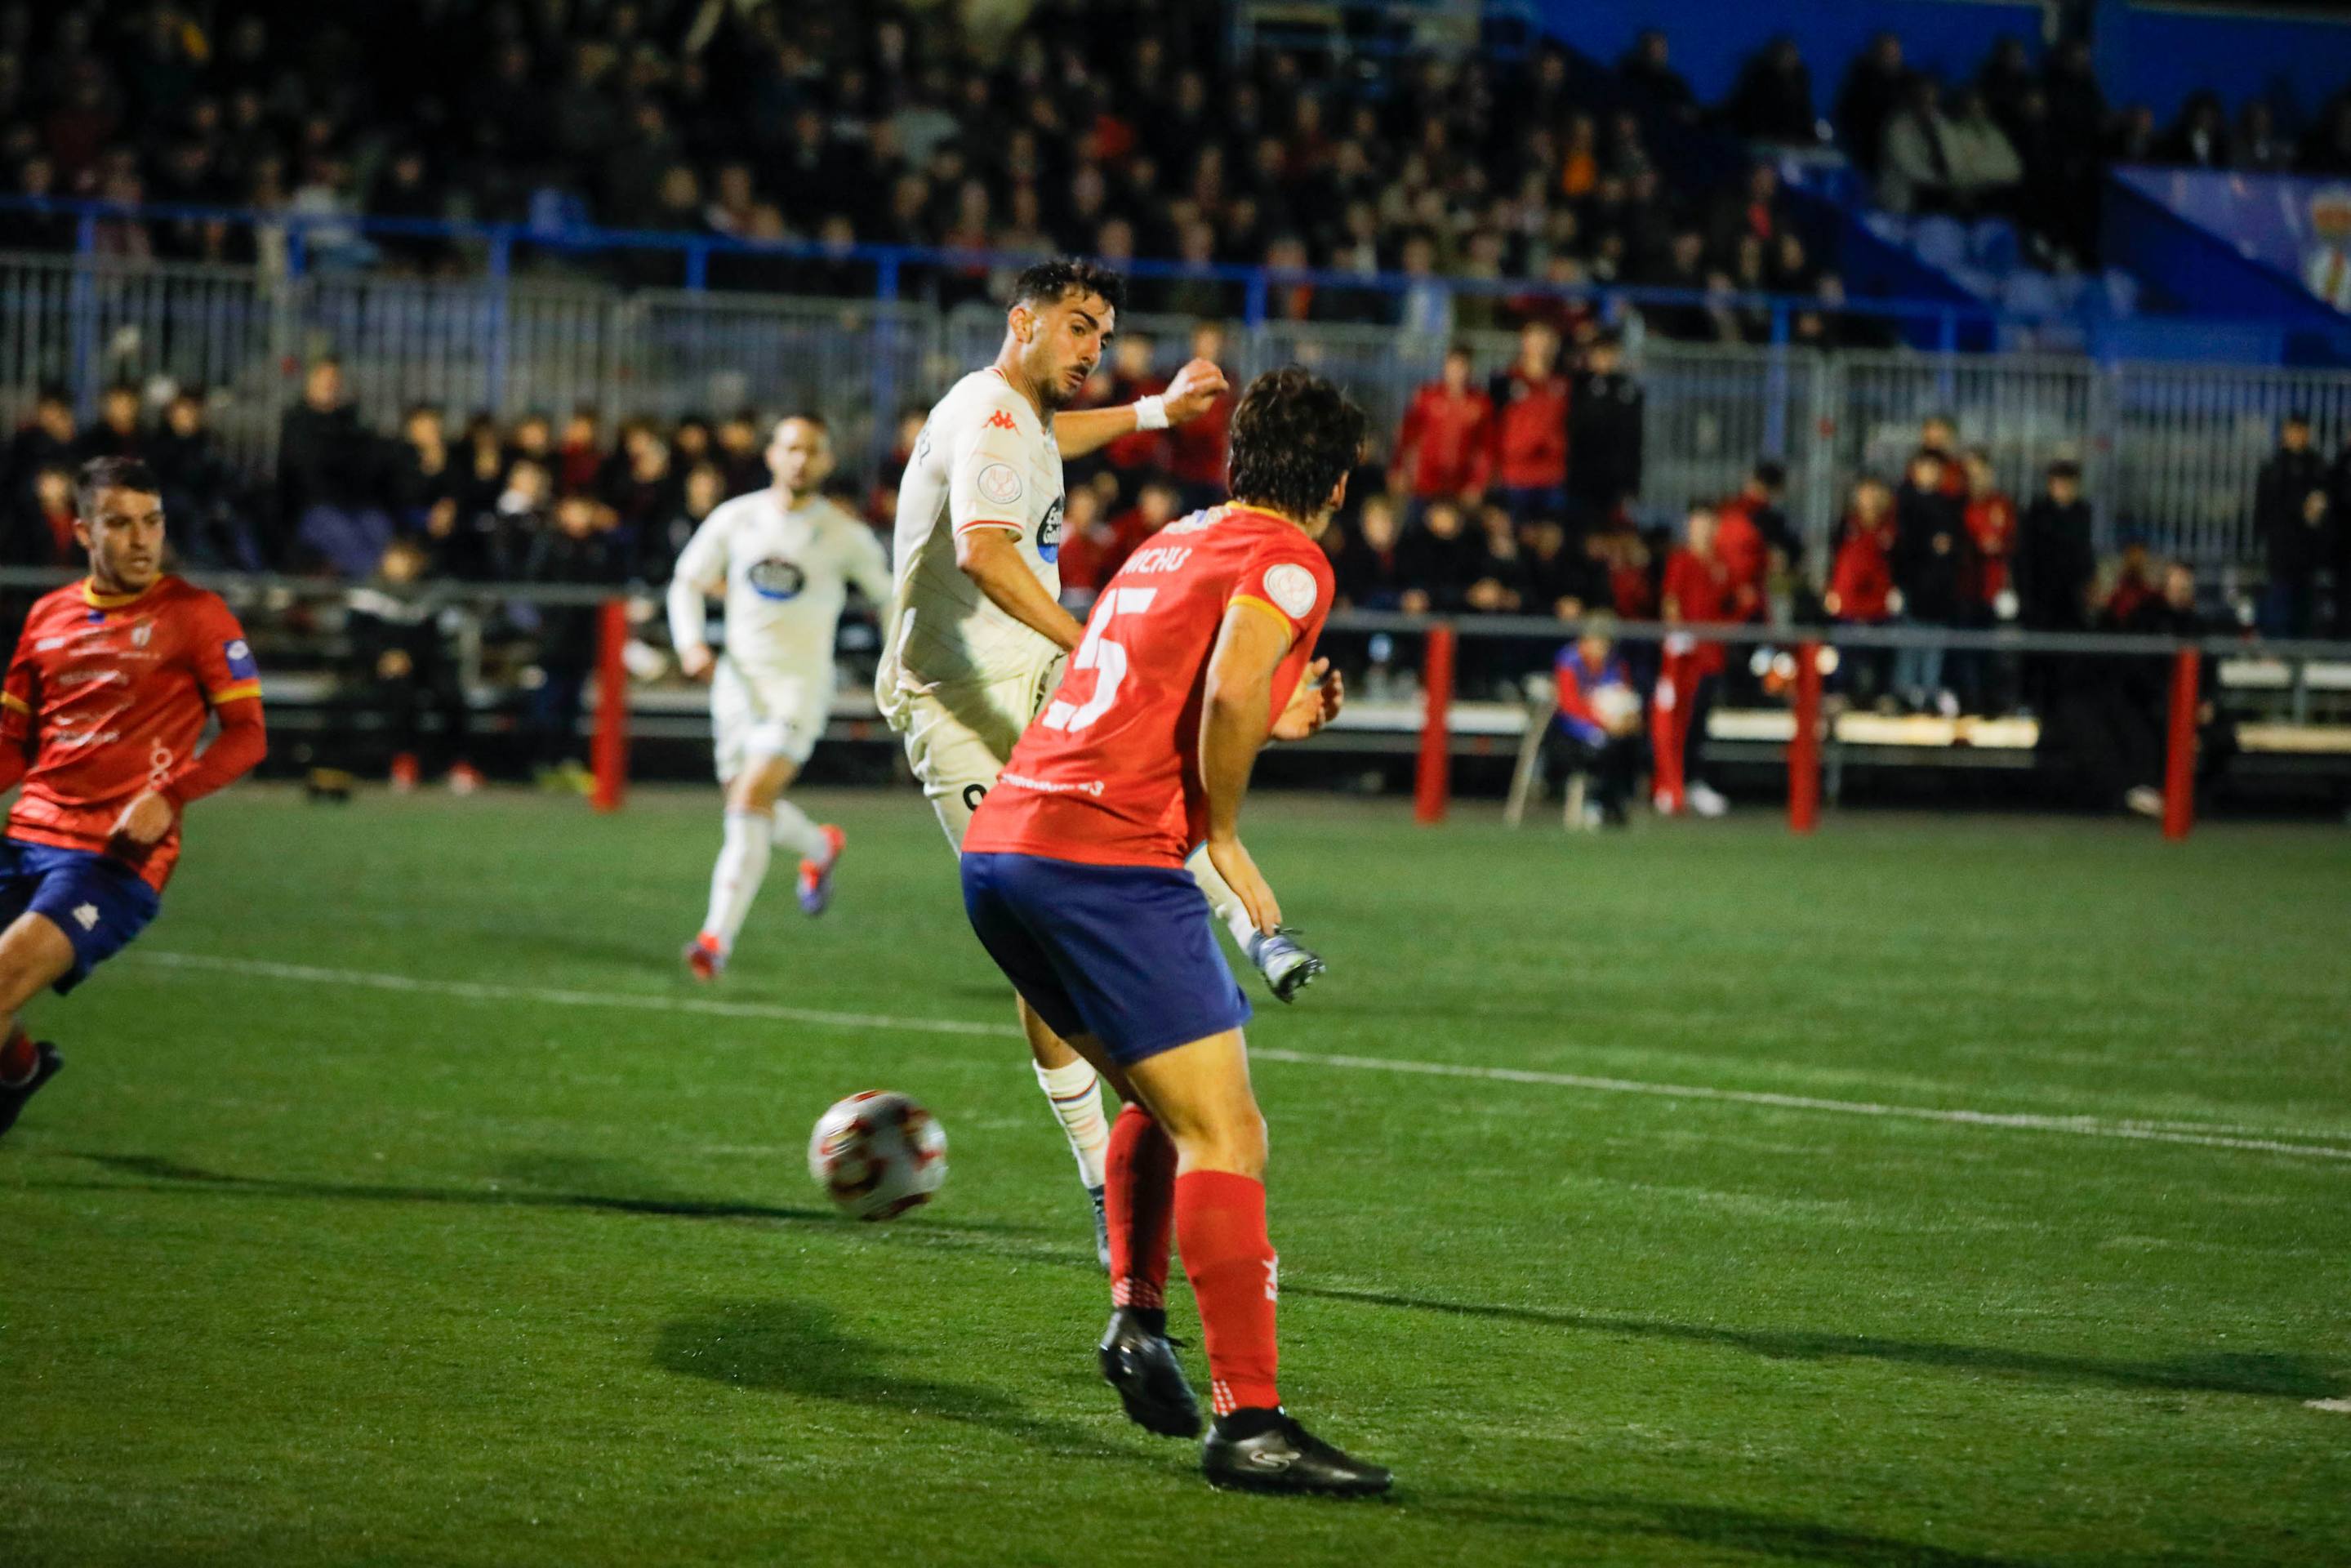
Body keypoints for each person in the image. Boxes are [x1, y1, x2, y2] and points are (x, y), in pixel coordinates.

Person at [960, 365, 1388, 1496]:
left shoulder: (1177, 541)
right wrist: (1227, 835)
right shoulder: (1290, 558)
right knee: (1228, 1133)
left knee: (1167, 1096)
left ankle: (1136, 1324)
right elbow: (1230, 694)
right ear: (1337, 485)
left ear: (1237, 463)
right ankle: (1251, 1423)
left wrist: (1264, 710)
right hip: (1102, 862)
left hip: (1008, 847)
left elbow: (1167, 677)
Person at [876, 259, 1280, 1267]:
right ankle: (1109, 1176)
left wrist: (1151, 410)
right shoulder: (989, 415)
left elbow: (1054, 440)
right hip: (957, 708)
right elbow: (983, 552)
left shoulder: (1013, 415)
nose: (1091, 346)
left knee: (1122, 840)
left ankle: (1250, 929)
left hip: (1039, 688)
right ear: (1022, 321)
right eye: (1076, 326)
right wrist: (1087, 635)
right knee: (1041, 936)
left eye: (1102, 331)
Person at [0, 458, 267, 1141]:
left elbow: (248, 736)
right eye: (120, 523)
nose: (142, 539)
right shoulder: (46, 617)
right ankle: (20, 1071)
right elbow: (13, 743)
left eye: (152, 522)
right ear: (85, 532)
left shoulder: (195, 615)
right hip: (25, 835)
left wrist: (170, 795)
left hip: (113, 861)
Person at [670, 416, 890, 978]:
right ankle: (820, 846)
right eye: (790, 448)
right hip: (737, 689)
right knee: (748, 808)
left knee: (746, 802)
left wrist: (895, 665)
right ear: (772, 455)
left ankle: (714, 939)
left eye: (811, 451)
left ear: (826, 462)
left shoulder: (843, 534)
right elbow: (687, 580)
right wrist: (691, 643)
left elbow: (889, 598)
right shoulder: (737, 518)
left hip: (798, 690)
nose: (799, 460)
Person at [341, 537, 479, 794]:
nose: (401, 566)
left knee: (451, 693)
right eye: (396, 558)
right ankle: (404, 761)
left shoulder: (429, 594)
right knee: (401, 694)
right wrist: (382, 657)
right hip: (380, 667)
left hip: (423, 663)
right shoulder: (368, 594)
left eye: (408, 560)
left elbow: (432, 638)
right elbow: (359, 638)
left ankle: (460, 763)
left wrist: (410, 657)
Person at [1654, 505, 1732, 817]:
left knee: (1699, 721)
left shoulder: (1720, 564)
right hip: (1686, 657)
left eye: (1709, 524)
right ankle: (1672, 783)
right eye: (1699, 524)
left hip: (1711, 655)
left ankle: (1691, 781)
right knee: (1676, 720)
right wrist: (1675, 638)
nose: (1704, 530)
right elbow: (1671, 600)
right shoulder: (1682, 560)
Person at [1892, 448, 1975, 714]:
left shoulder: (1949, 505)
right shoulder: (1903, 503)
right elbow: (1901, 545)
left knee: (1934, 644)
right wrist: (1929, 546)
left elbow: (1958, 544)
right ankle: (1905, 694)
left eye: (1935, 469)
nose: (1930, 474)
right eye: (1925, 467)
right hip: (1912, 584)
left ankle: (1929, 694)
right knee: (1909, 642)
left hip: (1940, 588)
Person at [1547, 617, 1641, 825]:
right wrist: (1602, 722)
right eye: (1598, 642)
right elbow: (1569, 705)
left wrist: (1628, 720)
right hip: (1571, 732)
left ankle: (1616, 802)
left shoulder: (1614, 663)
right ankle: (1596, 801)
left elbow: (1623, 695)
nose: (1602, 648)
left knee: (1629, 744)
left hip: (1611, 728)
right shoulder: (1569, 661)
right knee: (1605, 747)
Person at [1391, 345, 1493, 518]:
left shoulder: (1481, 404)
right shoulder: (1427, 397)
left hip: (1460, 485)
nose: (1457, 373)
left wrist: (1478, 483)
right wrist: (1399, 467)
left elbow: (1486, 448)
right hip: (1424, 482)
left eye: (1462, 367)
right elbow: (1407, 436)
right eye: (1453, 367)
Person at [2255, 412, 2329, 639]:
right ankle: (2277, 646)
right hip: (2281, 548)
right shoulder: (2274, 467)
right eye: (2292, 430)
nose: (2297, 436)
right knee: (2280, 598)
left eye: (2301, 430)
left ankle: (2300, 646)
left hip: (2308, 549)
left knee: (2303, 602)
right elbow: (2267, 506)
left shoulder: (2317, 466)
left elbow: (2325, 499)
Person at [1489, 319, 1570, 528]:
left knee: (1550, 538)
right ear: (1524, 342)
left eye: (1545, 339)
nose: (1540, 345)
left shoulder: (1563, 382)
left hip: (1552, 473)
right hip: (1515, 473)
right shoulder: (1505, 380)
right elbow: (1491, 425)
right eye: (1534, 338)